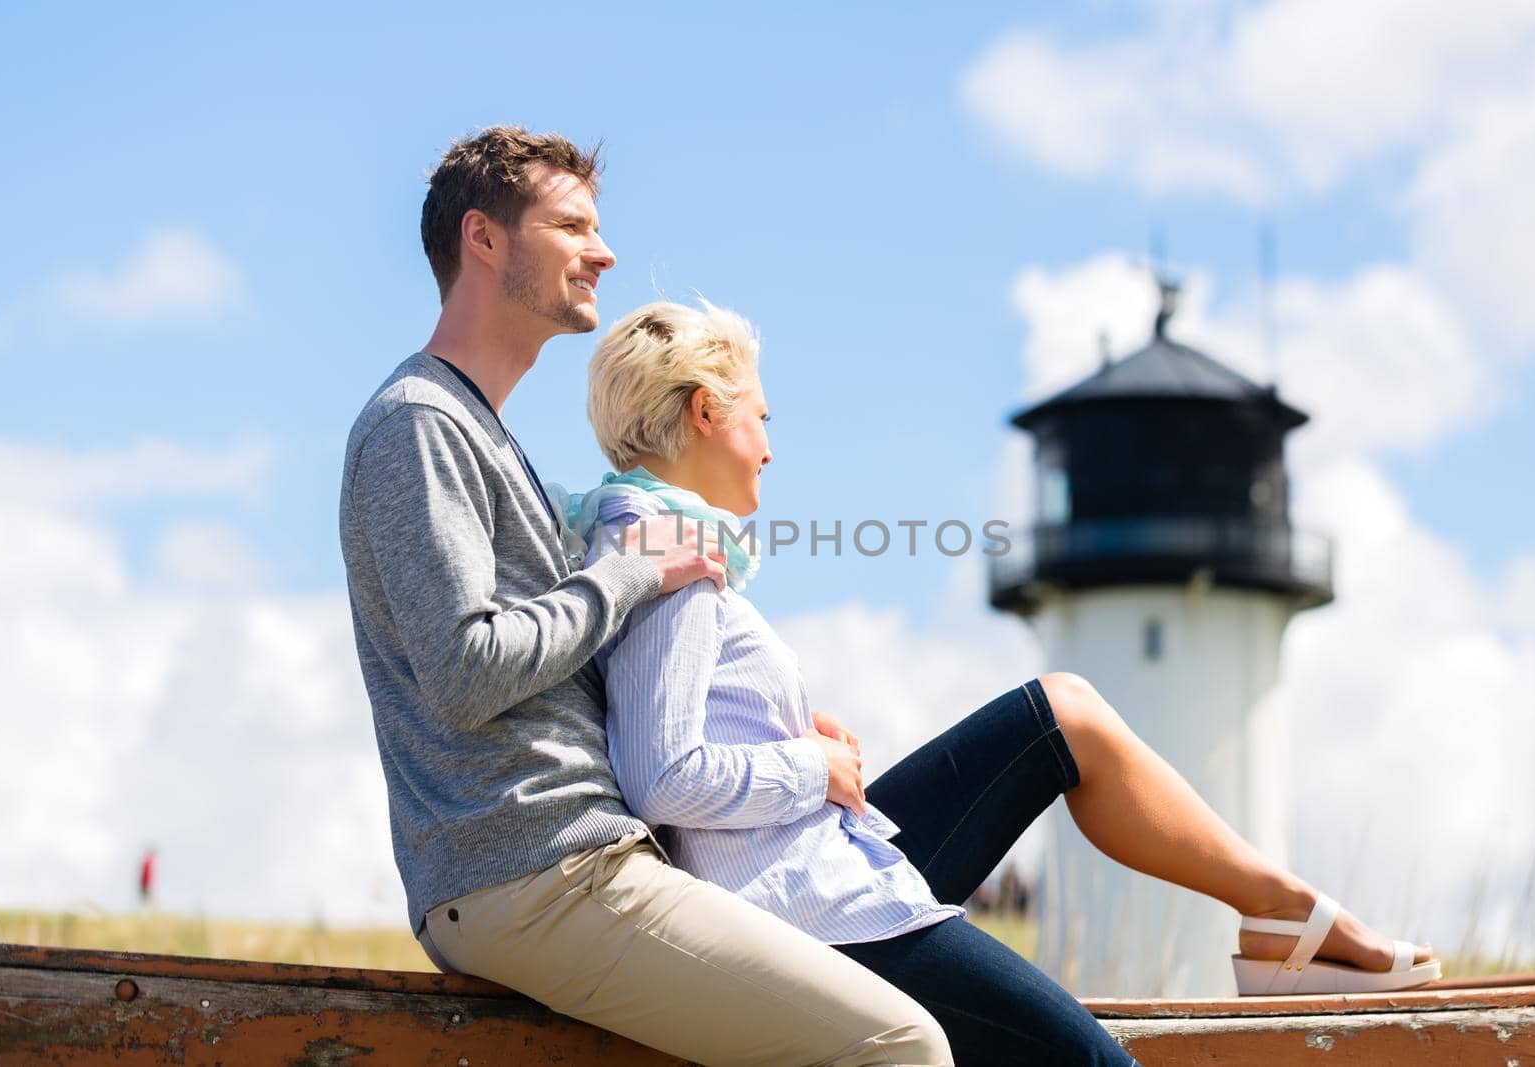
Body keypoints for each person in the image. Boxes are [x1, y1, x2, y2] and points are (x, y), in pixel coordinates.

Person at [561, 299, 1443, 1067]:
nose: (770, 448)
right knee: (1091, 1064)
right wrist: (809, 764)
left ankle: (1284, 912)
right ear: (708, 410)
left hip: (823, 871)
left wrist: (793, 733)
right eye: (761, 416)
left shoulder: (654, 539)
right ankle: (1292, 922)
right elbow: (663, 776)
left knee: (1063, 713)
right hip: (811, 920)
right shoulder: (666, 549)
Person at [339, 127, 956, 1066]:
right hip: (537, 868)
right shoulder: (418, 424)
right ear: (485, 239)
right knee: (899, 1044)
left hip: (559, 865)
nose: (606, 250)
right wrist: (633, 570)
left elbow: (567, 678)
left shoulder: (482, 432)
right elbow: (465, 670)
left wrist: (768, 723)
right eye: (573, 224)